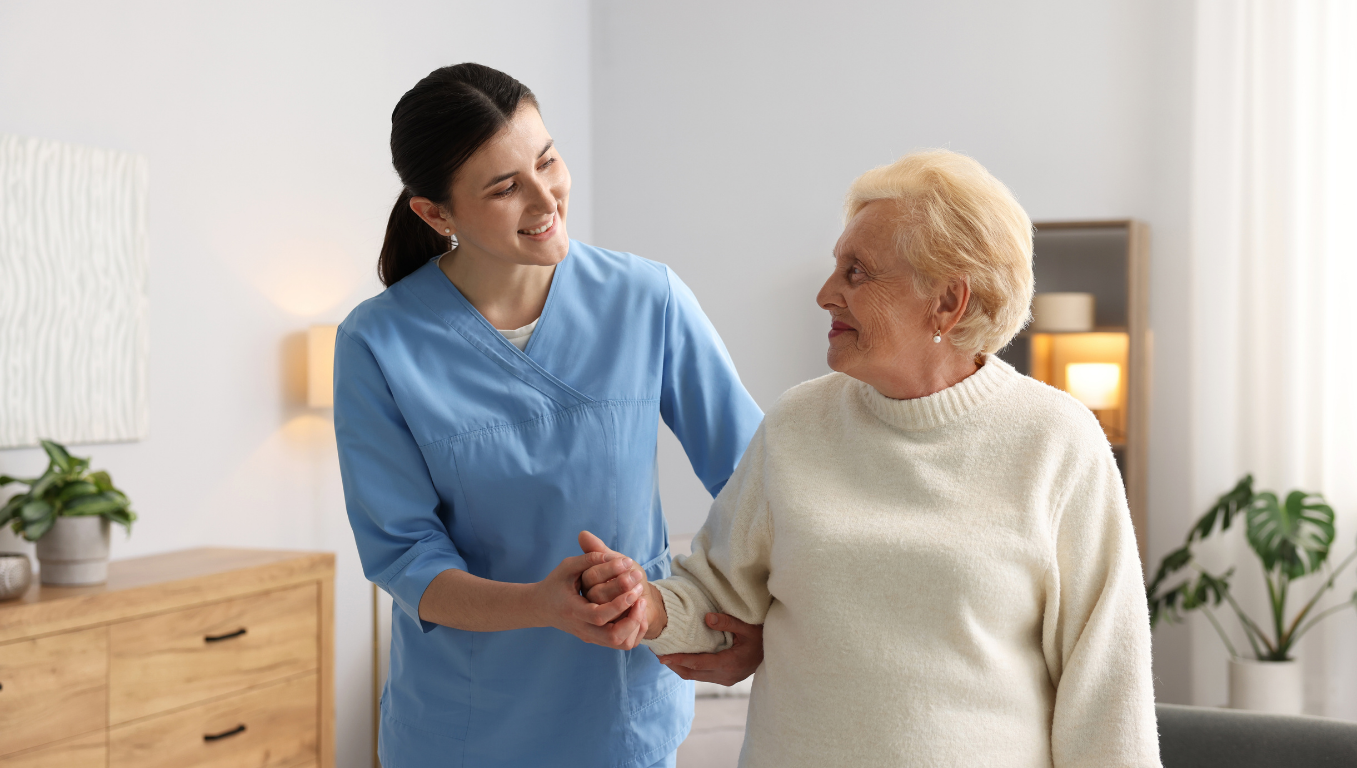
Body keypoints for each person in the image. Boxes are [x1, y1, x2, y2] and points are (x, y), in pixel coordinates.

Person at [582, 150, 1162, 766]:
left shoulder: (1056, 440)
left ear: (947, 302)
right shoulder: (798, 424)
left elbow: (1107, 687)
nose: (826, 293)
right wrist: (644, 605)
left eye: (857, 273)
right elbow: (719, 595)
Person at [334, 63, 765, 768]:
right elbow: (405, 557)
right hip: (462, 727)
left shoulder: (645, 298)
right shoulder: (377, 344)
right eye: (505, 187)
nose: (546, 199)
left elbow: (757, 485)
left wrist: (744, 619)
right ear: (435, 214)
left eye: (548, 161)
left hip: (623, 714)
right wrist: (542, 603)